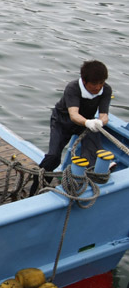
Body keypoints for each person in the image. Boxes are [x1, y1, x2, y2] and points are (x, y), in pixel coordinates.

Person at [30, 60, 112, 194]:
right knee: (53, 157)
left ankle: (80, 187)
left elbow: (104, 115)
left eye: (101, 83)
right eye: (94, 83)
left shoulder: (106, 90)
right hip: (63, 122)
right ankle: (37, 186)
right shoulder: (73, 88)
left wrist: (100, 123)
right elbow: (73, 115)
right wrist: (88, 123)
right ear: (84, 81)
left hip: (87, 123)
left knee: (92, 156)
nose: (98, 87)